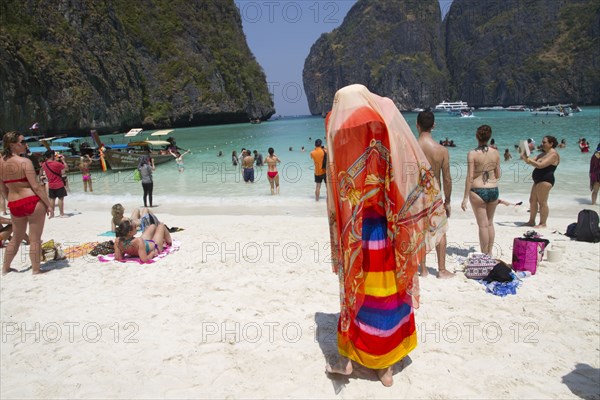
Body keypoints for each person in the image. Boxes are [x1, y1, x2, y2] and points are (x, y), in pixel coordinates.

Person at [324, 85, 447, 387]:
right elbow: (407, 175)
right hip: (388, 226)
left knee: (357, 289)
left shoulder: (338, 127)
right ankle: (386, 367)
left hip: (356, 229)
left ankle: (349, 359)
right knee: (389, 291)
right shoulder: (385, 118)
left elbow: (338, 187)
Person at [0, 131, 52, 274]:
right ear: (12, 145)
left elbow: (2, 188)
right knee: (35, 239)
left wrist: (9, 199)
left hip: (14, 203)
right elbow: (35, 186)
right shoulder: (25, 162)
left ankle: (5, 268)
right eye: (22, 142)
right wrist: (48, 204)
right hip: (32, 201)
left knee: (16, 238)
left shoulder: (0, 162)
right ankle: (36, 270)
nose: (25, 144)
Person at [416, 110, 453, 278]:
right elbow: (447, 179)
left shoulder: (412, 148)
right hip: (434, 193)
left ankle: (423, 269)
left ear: (417, 125)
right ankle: (441, 269)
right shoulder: (441, 150)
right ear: (433, 125)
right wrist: (448, 200)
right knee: (440, 230)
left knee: (420, 231)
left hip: (416, 194)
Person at [461, 125, 501, 255]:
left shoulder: (472, 154)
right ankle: (489, 253)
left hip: (478, 191)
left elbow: (470, 177)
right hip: (493, 189)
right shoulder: (495, 152)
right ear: (489, 137)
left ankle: (484, 255)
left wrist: (465, 197)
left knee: (482, 225)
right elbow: (498, 174)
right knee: (490, 223)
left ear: (476, 136)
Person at [521, 135, 560, 228]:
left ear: (551, 144)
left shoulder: (553, 154)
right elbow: (528, 161)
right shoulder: (542, 154)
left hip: (546, 180)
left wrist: (529, 160)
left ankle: (543, 223)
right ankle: (531, 221)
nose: (542, 144)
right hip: (538, 180)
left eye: (544, 142)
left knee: (542, 202)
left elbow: (540, 165)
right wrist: (524, 153)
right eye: (542, 142)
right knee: (532, 200)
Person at [41, 150, 68, 218]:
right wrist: (63, 160)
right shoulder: (57, 164)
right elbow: (66, 168)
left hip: (51, 184)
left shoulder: (44, 164)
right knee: (60, 198)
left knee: (52, 199)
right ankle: (61, 214)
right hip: (59, 183)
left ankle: (52, 214)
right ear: (52, 155)